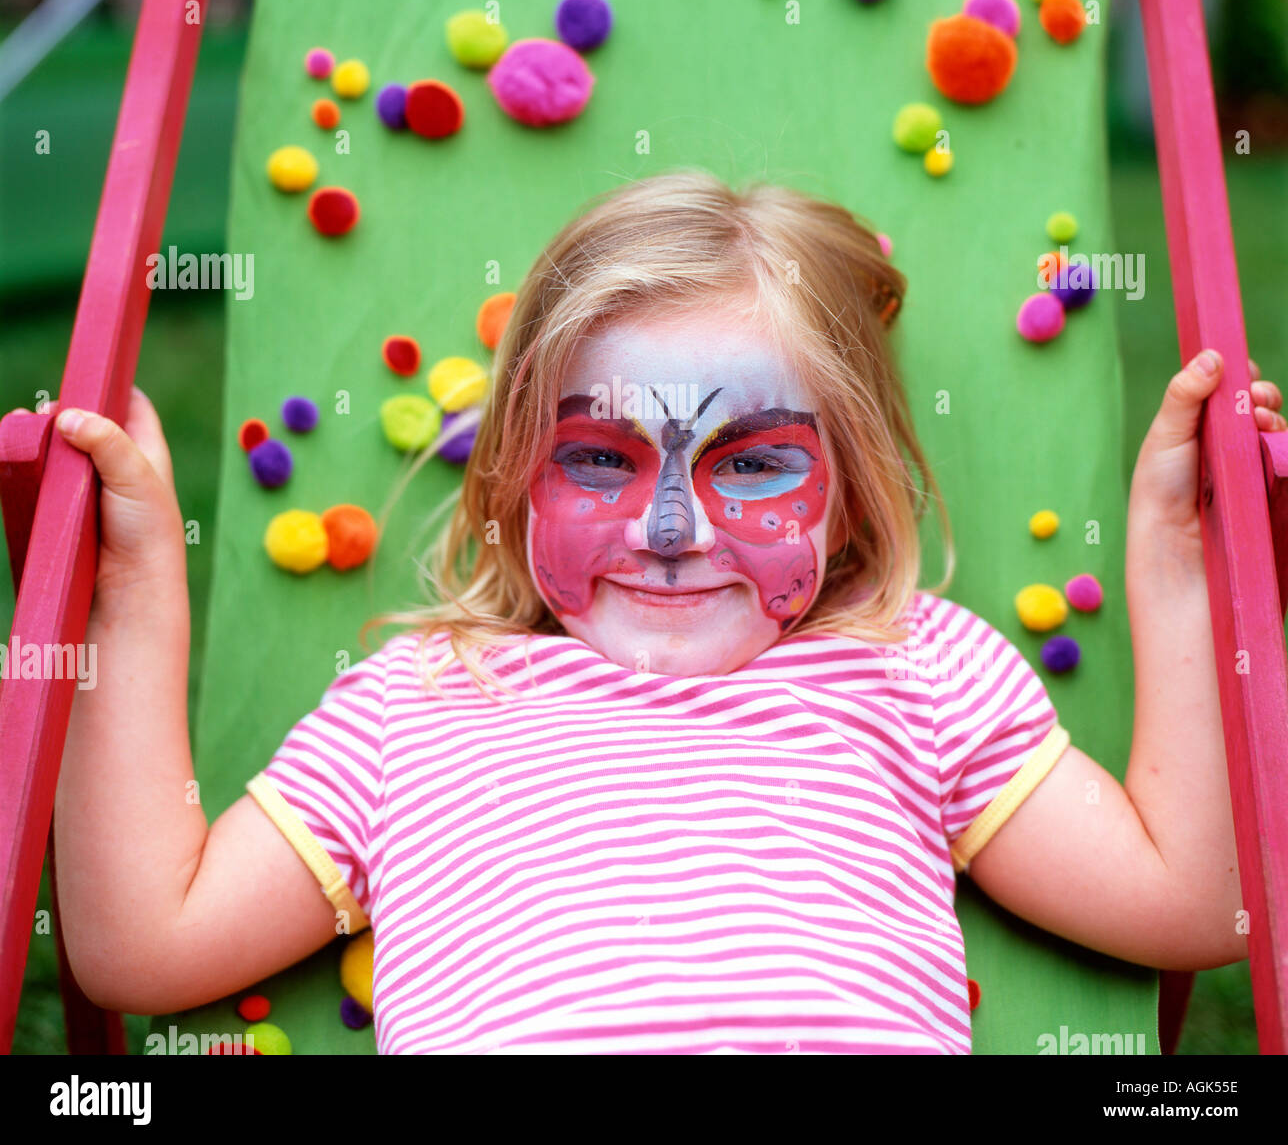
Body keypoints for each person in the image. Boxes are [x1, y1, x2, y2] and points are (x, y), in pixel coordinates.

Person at [50, 171, 1283, 1053]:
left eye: (753, 464)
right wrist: (137, 581)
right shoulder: (419, 700)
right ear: (511, 472)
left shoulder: (913, 670)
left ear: (852, 498)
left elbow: (1196, 904)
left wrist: (1180, 561)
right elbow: (142, 944)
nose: (671, 529)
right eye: (598, 459)